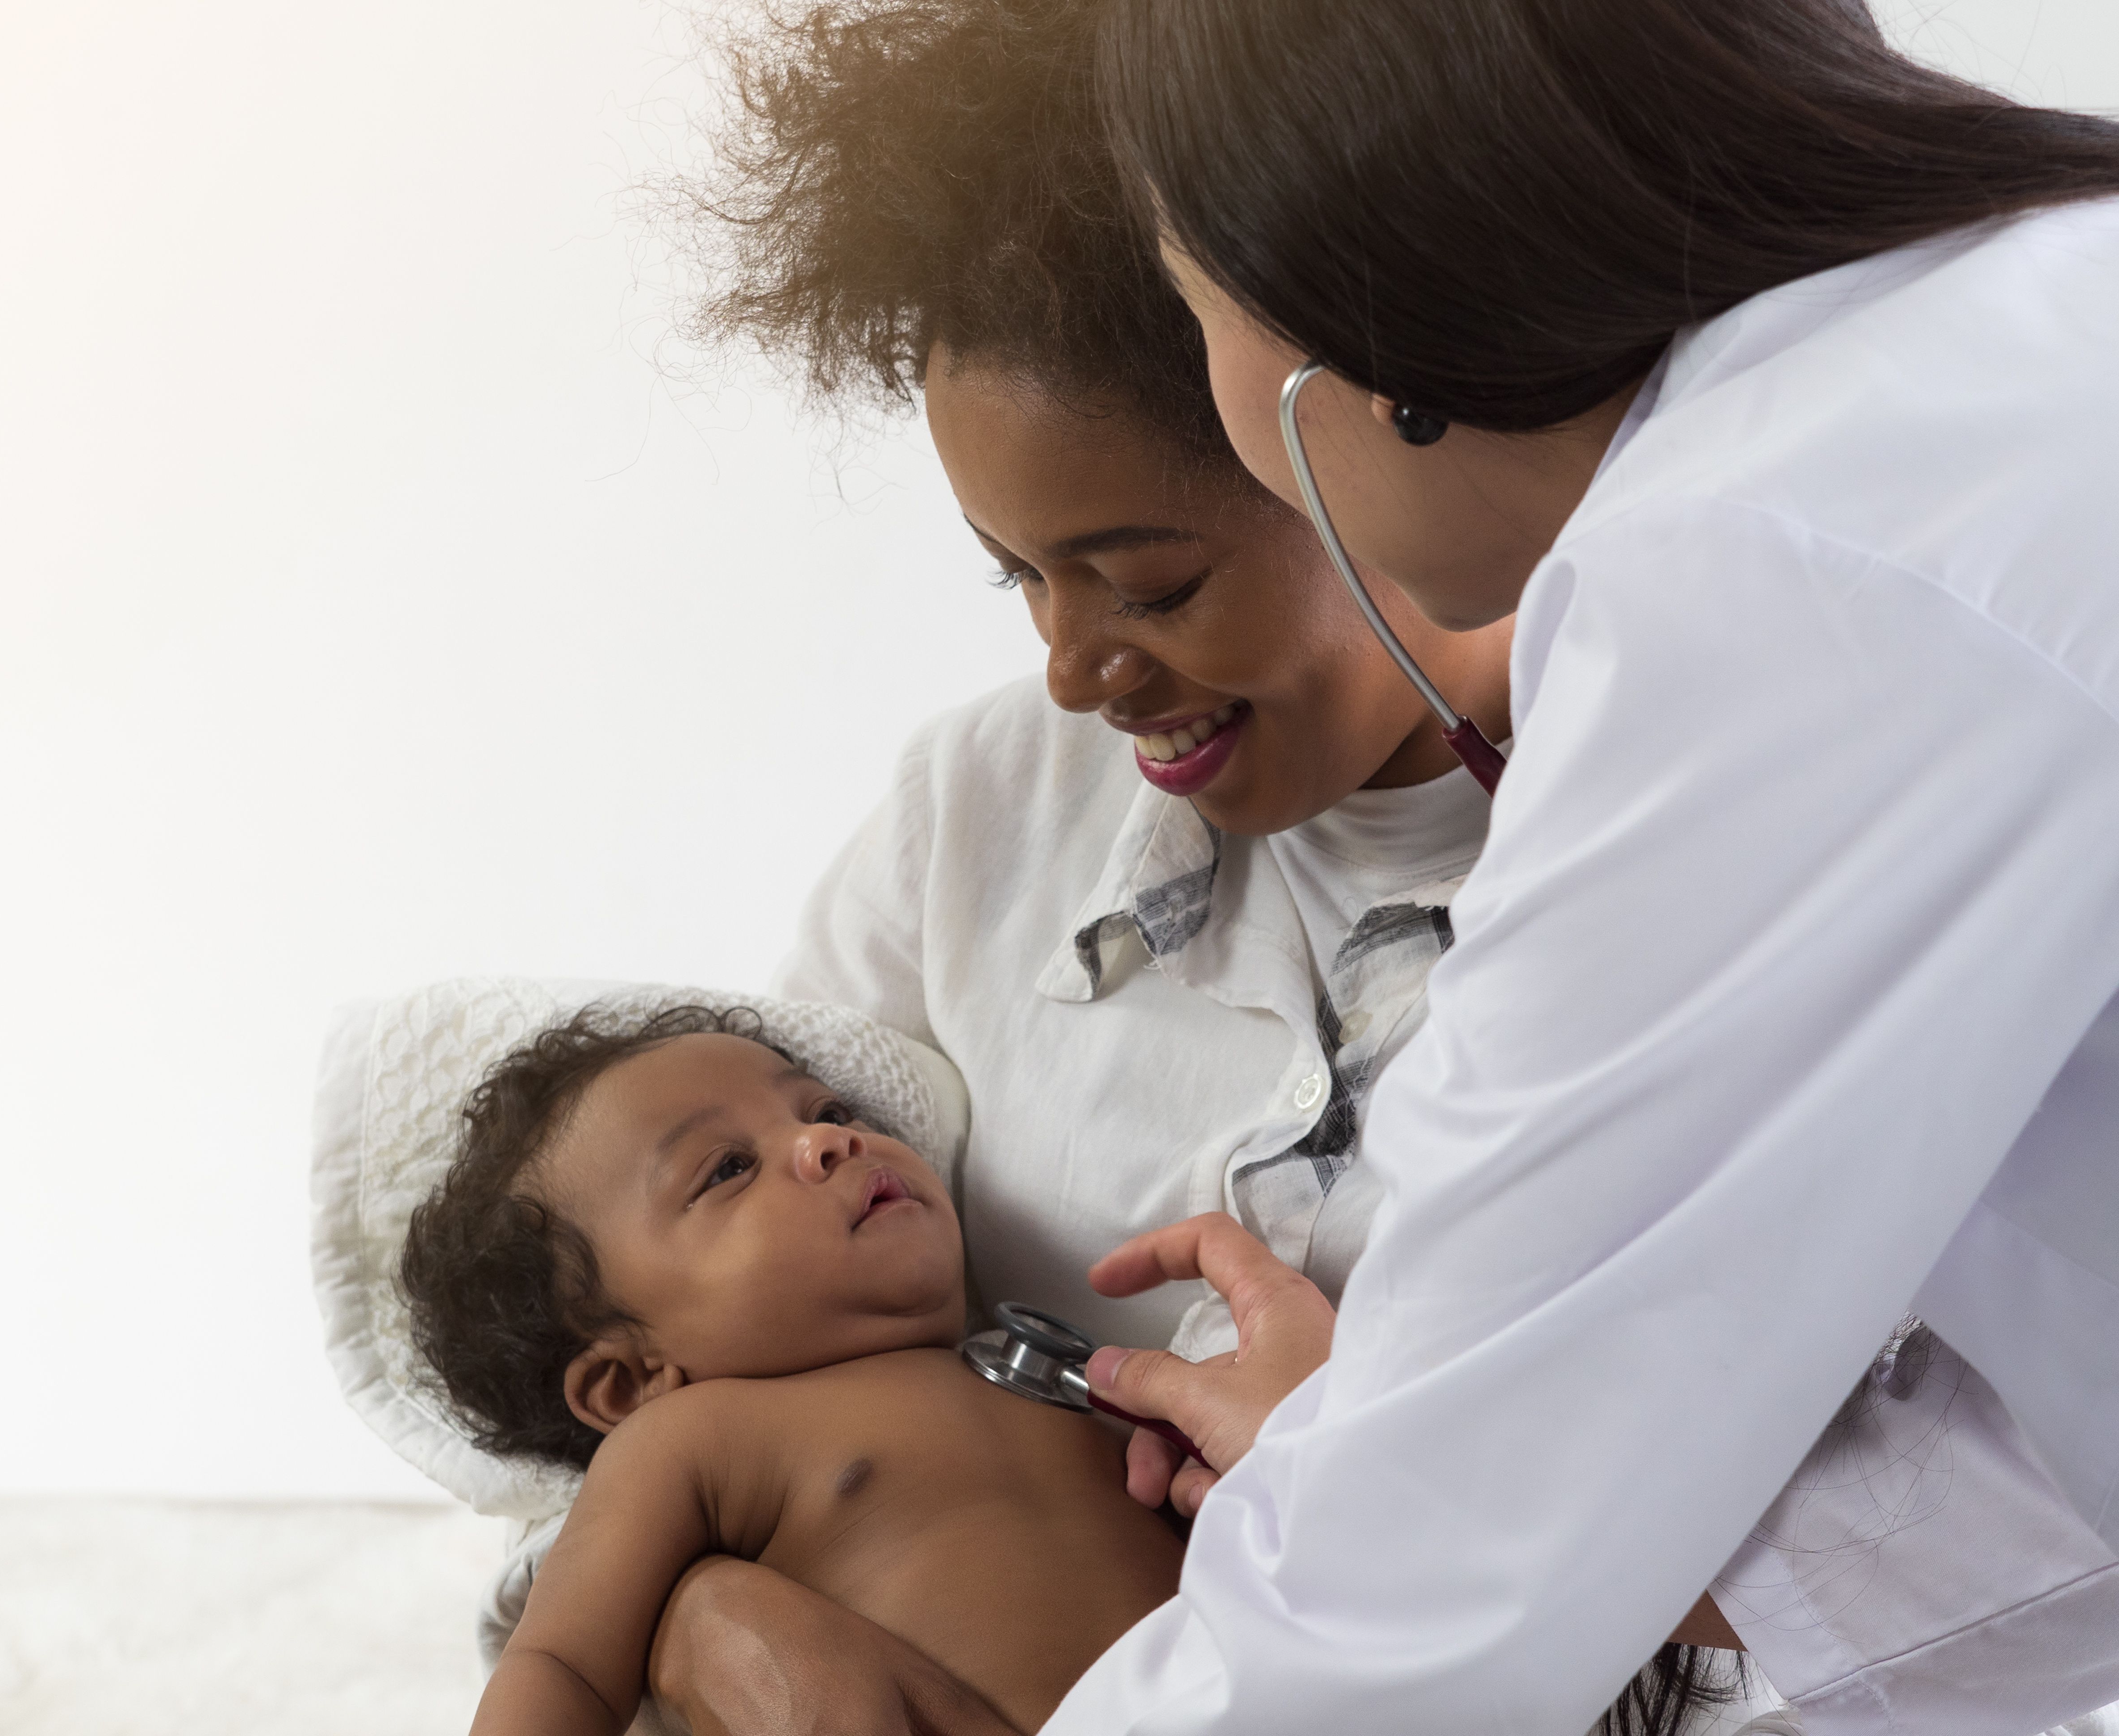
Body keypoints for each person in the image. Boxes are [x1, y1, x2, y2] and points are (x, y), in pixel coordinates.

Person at [632, 2, 1748, 1732]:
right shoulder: (980, 812)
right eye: (1016, 578)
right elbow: (687, 1305)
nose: (1076, 669)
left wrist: (1377, 1488)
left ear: (1379, 432)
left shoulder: (1720, 847)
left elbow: (1927, 1521)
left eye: (1146, 583)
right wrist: (699, 1613)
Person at [1045, 1, 2119, 1732]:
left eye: (1193, 312)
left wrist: (1387, 1463)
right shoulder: (2023, 324)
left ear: (1353, 313)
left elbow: (1404, 1610)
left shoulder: (1761, 567)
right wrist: (1384, 1457)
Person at [396, 1004, 1192, 1735]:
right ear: (631, 1382)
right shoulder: (698, 1438)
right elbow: (563, 1664)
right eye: (729, 1169)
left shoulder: (1053, 1372)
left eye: (826, 1111)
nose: (829, 1141)